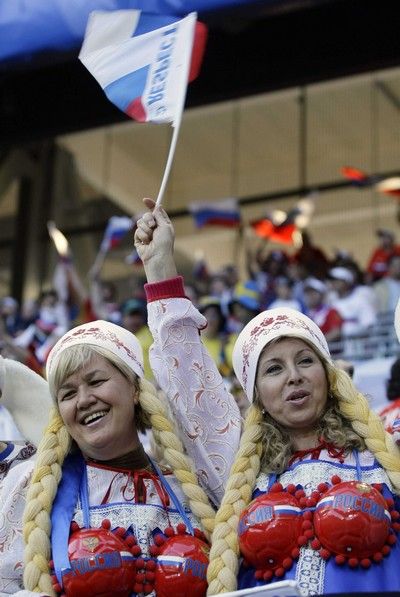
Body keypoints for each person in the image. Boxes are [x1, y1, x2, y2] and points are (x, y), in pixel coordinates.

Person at [135, 198, 400, 596]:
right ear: (254, 391)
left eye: (305, 361)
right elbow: (190, 382)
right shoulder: (241, 472)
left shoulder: (386, 454)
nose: (293, 377)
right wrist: (159, 267)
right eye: (273, 368)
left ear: (328, 375)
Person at [0, 316, 237, 596]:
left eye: (96, 381)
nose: (84, 399)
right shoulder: (32, 487)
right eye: (68, 393)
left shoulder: (190, 487)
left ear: (135, 389)